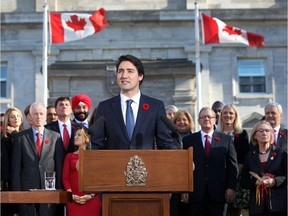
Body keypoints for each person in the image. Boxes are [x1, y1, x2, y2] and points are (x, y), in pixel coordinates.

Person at [91, 54, 177, 150]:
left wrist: (181, 159)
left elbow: (165, 142)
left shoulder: (155, 106)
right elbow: (96, 144)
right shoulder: (105, 107)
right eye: (120, 71)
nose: (124, 76)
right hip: (115, 164)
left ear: (140, 76)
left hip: (146, 164)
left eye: (130, 71)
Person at [181, 107, 238, 216]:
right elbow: (183, 167)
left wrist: (231, 187)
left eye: (209, 117)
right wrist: (184, 189)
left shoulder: (226, 140)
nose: (206, 119)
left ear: (215, 119)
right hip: (195, 193)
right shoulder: (188, 140)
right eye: (203, 117)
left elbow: (232, 166)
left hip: (218, 192)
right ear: (198, 121)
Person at [11, 102, 64, 216]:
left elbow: (59, 166)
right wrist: (17, 193)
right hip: (26, 191)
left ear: (45, 116)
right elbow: (16, 168)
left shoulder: (56, 137)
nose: (38, 117)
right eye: (35, 114)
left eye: (41, 114)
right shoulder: (20, 138)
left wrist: (59, 191)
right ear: (29, 117)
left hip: (49, 190)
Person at [241, 120, 287, 216]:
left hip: (278, 205)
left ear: (271, 135)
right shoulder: (249, 157)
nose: (264, 133)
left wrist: (274, 181)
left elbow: (286, 176)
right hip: (257, 206)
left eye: (267, 131)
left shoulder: (281, 154)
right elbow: (243, 181)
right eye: (261, 131)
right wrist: (255, 182)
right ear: (255, 135)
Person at [217, 104, 250, 216]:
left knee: (236, 210)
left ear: (235, 116)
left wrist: (236, 172)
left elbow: (245, 155)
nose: (228, 115)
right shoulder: (216, 134)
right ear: (221, 116)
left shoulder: (242, 134)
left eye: (231, 113)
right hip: (219, 176)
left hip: (237, 176)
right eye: (225, 113)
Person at [62, 127, 102, 216]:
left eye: (79, 135)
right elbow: (65, 179)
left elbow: (98, 179)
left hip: (92, 199)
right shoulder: (69, 156)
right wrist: (70, 195)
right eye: (75, 135)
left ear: (86, 139)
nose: (75, 137)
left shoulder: (94, 157)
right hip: (73, 198)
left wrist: (90, 195)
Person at [170, 109, 195, 216]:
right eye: (178, 120)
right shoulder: (169, 139)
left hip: (192, 181)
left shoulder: (195, 138)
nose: (182, 122)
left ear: (190, 122)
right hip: (174, 182)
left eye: (185, 120)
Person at [1, 107, 24, 216]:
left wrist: (16, 134)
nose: (16, 118)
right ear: (7, 120)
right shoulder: (3, 139)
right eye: (12, 116)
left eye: (18, 116)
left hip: (24, 180)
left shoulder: (26, 135)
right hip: (8, 181)